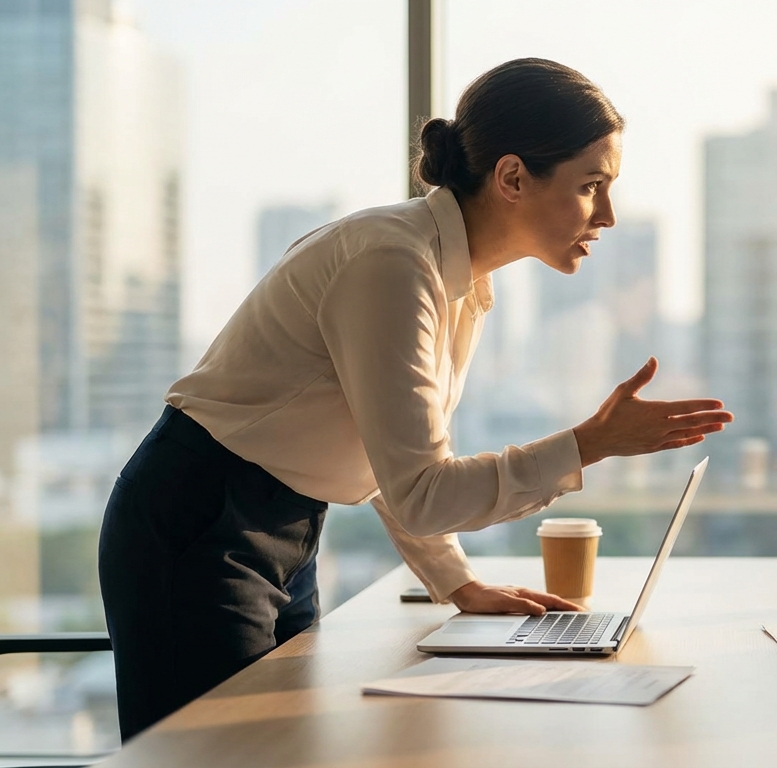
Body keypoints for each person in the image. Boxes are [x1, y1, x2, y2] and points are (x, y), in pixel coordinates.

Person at [98, 57, 733, 740]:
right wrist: (590, 444)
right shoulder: (392, 264)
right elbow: (423, 492)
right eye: (591, 186)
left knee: (275, 749)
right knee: (214, 755)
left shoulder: (457, 278)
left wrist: (456, 581)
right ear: (512, 178)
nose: (606, 215)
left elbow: (396, 462)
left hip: (283, 527)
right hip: (199, 519)